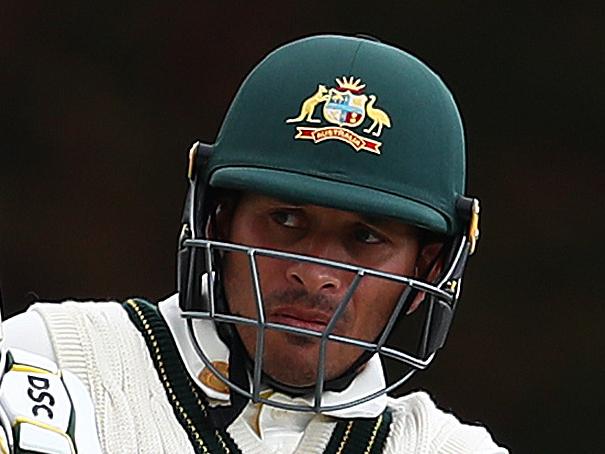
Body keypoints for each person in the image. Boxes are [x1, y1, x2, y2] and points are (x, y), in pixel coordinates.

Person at [0, 34, 507, 453]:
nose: (313, 273)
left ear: (428, 270)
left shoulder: (442, 448)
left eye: (366, 237)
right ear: (219, 222)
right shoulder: (53, 358)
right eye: (286, 219)